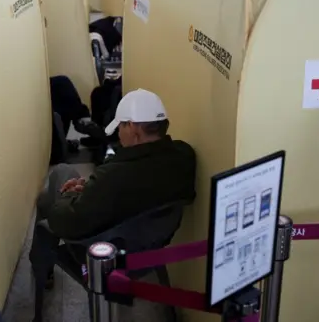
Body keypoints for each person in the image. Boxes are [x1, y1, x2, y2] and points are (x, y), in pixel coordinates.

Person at [31, 88, 197, 288]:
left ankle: (41, 267)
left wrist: (70, 194)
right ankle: (40, 260)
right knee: (58, 187)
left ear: (134, 130)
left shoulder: (115, 175)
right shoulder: (185, 156)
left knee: (59, 176)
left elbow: (66, 223)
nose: (118, 133)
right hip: (152, 245)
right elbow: (128, 188)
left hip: (107, 252)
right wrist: (92, 188)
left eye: (120, 126)